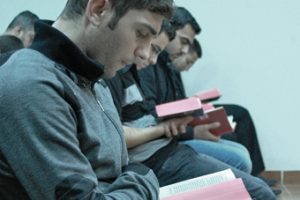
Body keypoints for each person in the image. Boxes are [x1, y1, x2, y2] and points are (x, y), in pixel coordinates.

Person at [0, 0, 174, 199]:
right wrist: (146, 178)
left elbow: (120, 170)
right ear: (98, 9)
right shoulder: (31, 84)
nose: (144, 53)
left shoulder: (95, 81)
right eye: (141, 34)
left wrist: (133, 177)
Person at [107, 7, 276, 200]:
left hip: (169, 149)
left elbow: (149, 116)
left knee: (256, 182)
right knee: (256, 186)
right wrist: (172, 128)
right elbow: (119, 135)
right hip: (158, 157)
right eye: (151, 46)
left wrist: (189, 110)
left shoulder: (140, 70)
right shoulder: (120, 72)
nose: (149, 57)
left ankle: (255, 179)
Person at [173, 38, 266, 176]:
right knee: (230, 135)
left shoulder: (174, 72)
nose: (188, 68)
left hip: (187, 110)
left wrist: (196, 103)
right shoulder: (162, 66)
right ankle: (250, 178)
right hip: (181, 118)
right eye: (188, 62)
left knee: (241, 113)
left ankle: (256, 174)